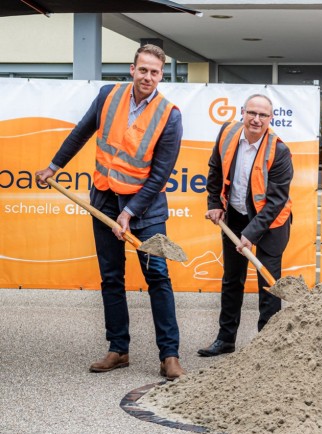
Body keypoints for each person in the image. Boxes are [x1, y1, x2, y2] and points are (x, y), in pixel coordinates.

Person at [34, 44, 185, 380]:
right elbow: (81, 133)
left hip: (146, 211)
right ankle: (118, 349)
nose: (148, 77)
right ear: (132, 69)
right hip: (103, 198)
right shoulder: (108, 96)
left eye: (155, 72)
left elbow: (160, 174)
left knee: (158, 277)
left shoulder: (169, 116)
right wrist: (54, 166)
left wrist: (130, 212)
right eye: (143, 70)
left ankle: (169, 355)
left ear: (161, 76)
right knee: (112, 278)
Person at [198, 93, 293, 357]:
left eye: (263, 115)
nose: (256, 119)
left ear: (270, 119)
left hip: (272, 222)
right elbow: (215, 169)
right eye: (252, 112)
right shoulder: (228, 133)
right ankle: (225, 339)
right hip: (236, 215)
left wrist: (250, 234)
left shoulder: (279, 151)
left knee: (268, 282)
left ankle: (268, 347)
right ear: (243, 112)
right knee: (231, 280)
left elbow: (275, 202)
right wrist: (214, 203)